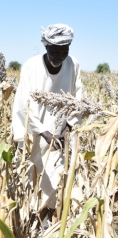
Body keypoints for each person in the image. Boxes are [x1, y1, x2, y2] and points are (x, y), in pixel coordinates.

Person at [12, 23, 83, 218]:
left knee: (57, 175)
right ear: (46, 47)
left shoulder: (73, 64)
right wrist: (43, 132)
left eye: (64, 51)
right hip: (34, 129)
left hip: (60, 131)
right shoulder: (31, 66)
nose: (60, 56)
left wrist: (68, 127)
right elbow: (23, 103)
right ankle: (28, 220)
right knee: (32, 173)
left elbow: (77, 99)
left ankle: (47, 220)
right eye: (55, 51)